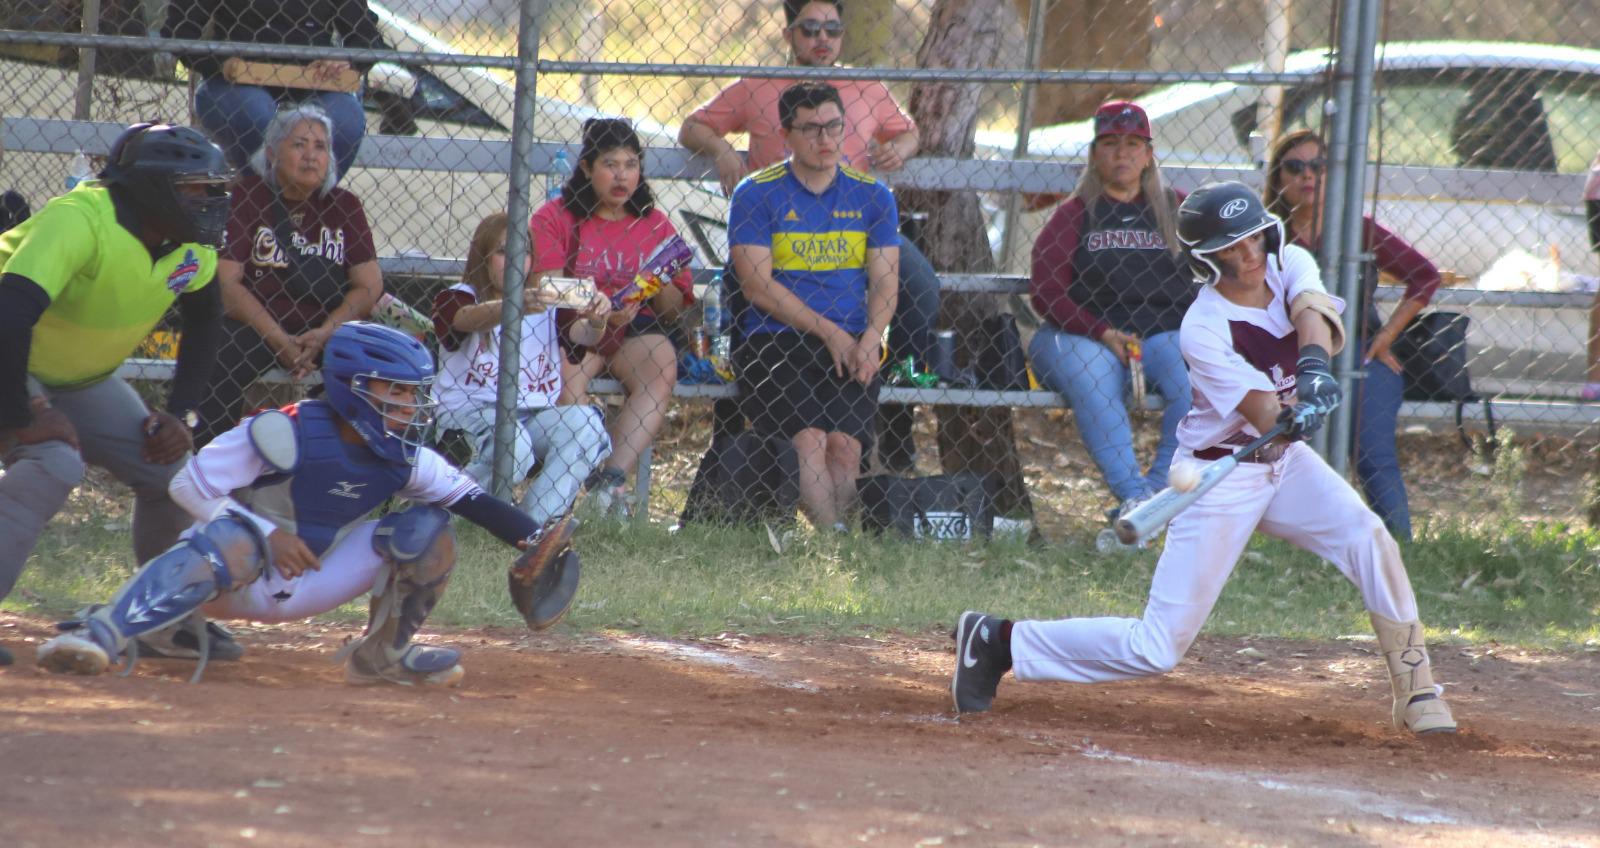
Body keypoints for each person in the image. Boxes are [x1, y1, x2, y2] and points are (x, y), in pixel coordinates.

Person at [950, 182, 1457, 737]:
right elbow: (1266, 417)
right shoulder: (1204, 328)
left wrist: (1312, 370)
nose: (1249, 254)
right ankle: (999, 641)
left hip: (1285, 466)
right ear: (1205, 260)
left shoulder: (1289, 261)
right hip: (1221, 478)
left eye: (1253, 238)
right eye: (1230, 248)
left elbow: (1311, 310)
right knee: (1156, 647)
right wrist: (1297, 412)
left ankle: (1417, 689)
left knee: (1369, 538)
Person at [35, 322, 581, 685]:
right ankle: (101, 634)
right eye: (396, 391)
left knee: (428, 528)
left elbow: (473, 500)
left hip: (313, 579)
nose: (410, 405)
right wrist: (268, 534)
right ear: (351, 386)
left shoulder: (402, 455)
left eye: (414, 393)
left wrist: (535, 541)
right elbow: (187, 487)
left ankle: (382, 658)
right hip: (234, 576)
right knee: (236, 536)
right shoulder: (284, 431)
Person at [0, 124, 231, 667]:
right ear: (150, 187)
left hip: (74, 377)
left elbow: (206, 322)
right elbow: (8, 315)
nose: (209, 200)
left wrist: (180, 415)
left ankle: (160, 622)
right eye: (194, 187)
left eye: (213, 188)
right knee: (54, 462)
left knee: (172, 474)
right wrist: (19, 415)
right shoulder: (80, 219)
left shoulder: (191, 246)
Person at [679, 0, 937, 472]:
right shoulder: (759, 85)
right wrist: (721, 150)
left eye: (833, 30)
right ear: (789, 34)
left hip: (854, 230)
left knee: (919, 285)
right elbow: (692, 125)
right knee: (741, 290)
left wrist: (900, 147)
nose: (823, 39)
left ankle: (896, 421)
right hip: (775, 232)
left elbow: (909, 131)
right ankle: (731, 440)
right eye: (811, 29)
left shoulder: (865, 87)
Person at [729, 82, 899, 531]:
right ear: (786, 134)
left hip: (852, 341)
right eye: (810, 129)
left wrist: (871, 338)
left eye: (833, 126)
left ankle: (835, 540)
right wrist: (829, 332)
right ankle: (835, 545)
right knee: (809, 440)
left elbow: (886, 282)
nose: (825, 139)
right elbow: (756, 286)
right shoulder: (755, 192)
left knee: (845, 448)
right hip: (775, 338)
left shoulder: (873, 196)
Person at [1265, 128, 1442, 540]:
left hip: (1359, 351)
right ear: (1278, 178)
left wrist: (1387, 337)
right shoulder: (1266, 236)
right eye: (1295, 167)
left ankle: (1398, 545)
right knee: (1293, 451)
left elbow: (1425, 276)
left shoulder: (1356, 229)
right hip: (1289, 357)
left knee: (1373, 456)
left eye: (1319, 166)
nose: (1308, 175)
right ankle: (1301, 540)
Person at [1028, 100, 1194, 521]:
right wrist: (1100, 331)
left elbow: (1219, 271)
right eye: (1110, 143)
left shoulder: (1179, 209)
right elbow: (1046, 293)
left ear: (1149, 153)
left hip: (1165, 333)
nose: (1122, 153)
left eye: (1133, 143)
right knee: (1092, 377)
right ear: (1094, 154)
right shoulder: (1074, 215)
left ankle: (1156, 494)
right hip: (1084, 335)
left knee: (1200, 378)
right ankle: (1134, 495)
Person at [192, 104, 382, 449]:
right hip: (258, 325)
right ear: (271, 153)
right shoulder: (247, 196)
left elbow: (369, 286)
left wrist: (326, 332)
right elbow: (226, 283)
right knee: (219, 349)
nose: (311, 155)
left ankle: (349, 459)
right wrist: (278, 338)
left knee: (371, 360)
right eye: (299, 144)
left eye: (320, 146)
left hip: (325, 327)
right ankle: (212, 457)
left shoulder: (345, 206)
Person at [531, 118, 694, 517]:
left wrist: (659, 280)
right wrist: (599, 305)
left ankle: (610, 481)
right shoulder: (556, 216)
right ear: (587, 168)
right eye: (610, 164)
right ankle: (581, 477)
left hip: (633, 326)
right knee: (568, 378)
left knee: (661, 365)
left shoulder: (654, 223)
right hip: (576, 325)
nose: (622, 176)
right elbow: (545, 286)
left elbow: (673, 311)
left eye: (631, 165)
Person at [433, 212, 614, 531]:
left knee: (586, 424)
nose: (517, 260)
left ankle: (532, 527)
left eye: (525, 252)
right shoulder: (459, 295)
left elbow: (582, 335)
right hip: (471, 412)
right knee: (513, 445)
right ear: (484, 257)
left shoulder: (545, 303)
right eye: (504, 251)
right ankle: (439, 513)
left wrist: (598, 319)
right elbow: (461, 319)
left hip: (533, 415)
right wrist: (513, 305)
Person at [162, 0, 382, 181]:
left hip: (313, 82)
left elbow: (368, 37)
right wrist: (221, 64)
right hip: (233, 82)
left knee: (347, 118)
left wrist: (346, 60)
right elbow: (179, 30)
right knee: (257, 115)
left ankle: (311, 206)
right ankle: (266, 207)